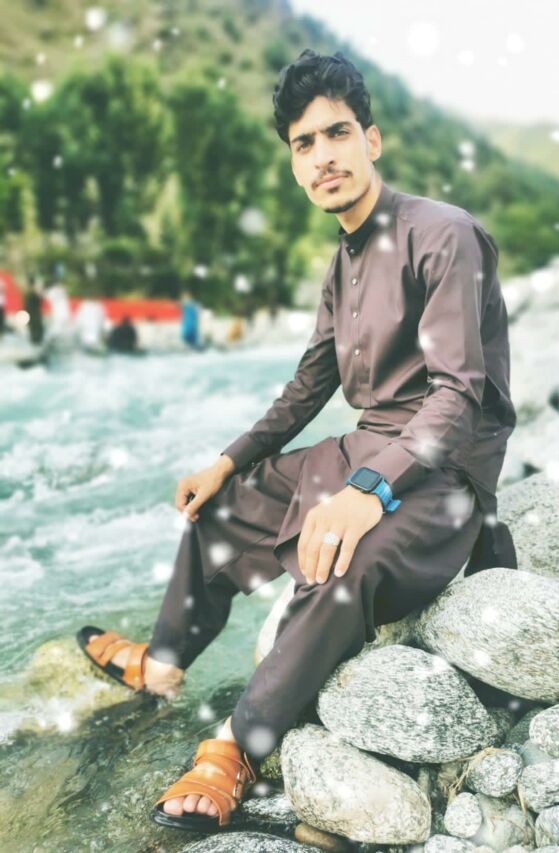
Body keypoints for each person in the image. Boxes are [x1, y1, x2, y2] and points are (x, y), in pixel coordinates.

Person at [77, 48, 519, 833]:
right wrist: (228, 460)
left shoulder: (444, 234)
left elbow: (458, 395)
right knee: (219, 511)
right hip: (369, 447)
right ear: (293, 163)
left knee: (342, 564)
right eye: (303, 144)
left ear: (371, 140)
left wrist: (366, 492)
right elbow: (308, 385)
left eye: (337, 134)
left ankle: (238, 744)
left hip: (445, 472)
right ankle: (164, 662)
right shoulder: (341, 264)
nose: (323, 157)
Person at [24, 275, 44, 345]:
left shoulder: (30, 292)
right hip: (34, 313)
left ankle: (36, 341)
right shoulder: (33, 292)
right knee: (35, 328)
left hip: (33, 313)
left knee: (35, 328)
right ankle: (36, 341)